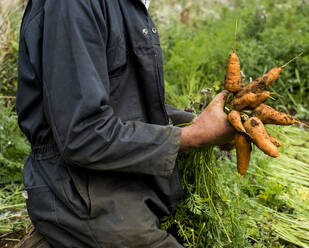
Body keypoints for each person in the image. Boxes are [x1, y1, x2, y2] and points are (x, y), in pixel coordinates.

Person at [16, 0, 234, 247]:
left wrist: (197, 124)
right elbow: (82, 134)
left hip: (120, 170)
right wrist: (194, 136)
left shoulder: (129, 5)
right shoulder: (74, 5)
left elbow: (126, 102)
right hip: (76, 189)